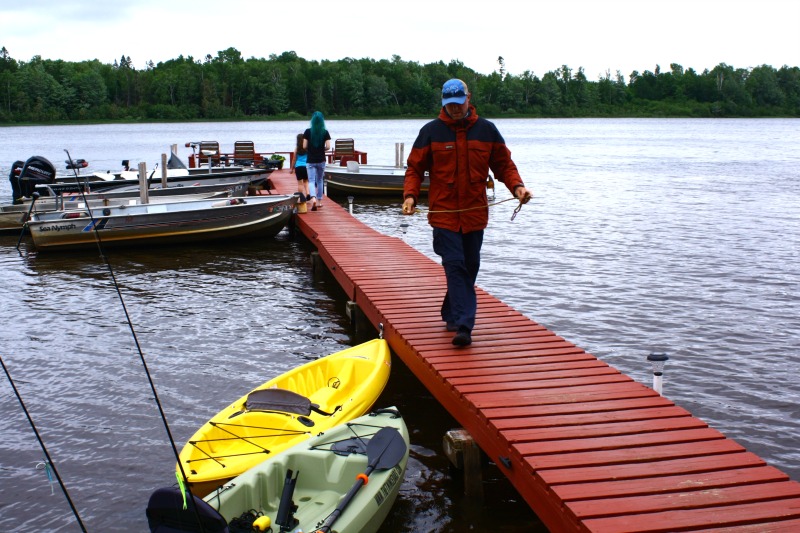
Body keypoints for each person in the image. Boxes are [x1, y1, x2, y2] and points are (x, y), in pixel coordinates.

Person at [402, 78, 532, 347]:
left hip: (474, 214)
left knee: (470, 265)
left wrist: (517, 187)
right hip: (444, 214)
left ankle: (451, 312)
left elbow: (504, 165)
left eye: (459, 104)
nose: (455, 109)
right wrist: (410, 196)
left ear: (468, 98)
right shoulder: (431, 132)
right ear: (443, 103)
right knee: (455, 264)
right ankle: (464, 325)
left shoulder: (487, 131)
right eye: (449, 105)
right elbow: (414, 168)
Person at [303, 111, 331, 211]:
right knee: (319, 180)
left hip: (310, 160)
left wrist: (311, 149)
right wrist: (321, 149)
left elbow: (304, 146)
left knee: (311, 180)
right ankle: (319, 202)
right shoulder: (325, 132)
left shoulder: (307, 131)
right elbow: (328, 147)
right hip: (321, 160)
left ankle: (313, 198)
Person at [289, 133, 310, 207]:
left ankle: (301, 197)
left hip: (298, 167)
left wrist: (292, 168)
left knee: (300, 183)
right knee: (306, 181)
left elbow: (294, 159)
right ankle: (308, 193)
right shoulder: (307, 148)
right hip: (306, 167)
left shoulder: (297, 148)